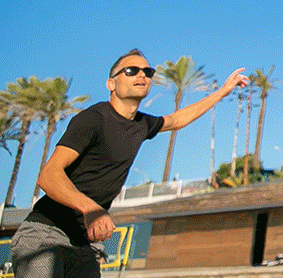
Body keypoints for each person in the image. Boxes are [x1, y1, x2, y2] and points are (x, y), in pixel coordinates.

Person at [12, 50, 248, 278]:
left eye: (148, 71)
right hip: (44, 235)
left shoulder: (141, 125)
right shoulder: (93, 119)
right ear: (111, 84)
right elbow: (48, 175)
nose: (142, 75)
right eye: (131, 70)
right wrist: (91, 208)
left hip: (83, 245)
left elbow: (177, 119)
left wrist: (222, 92)